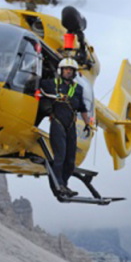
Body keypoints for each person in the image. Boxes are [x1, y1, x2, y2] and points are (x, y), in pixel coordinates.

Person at [40, 57, 92, 197]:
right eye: (66, 69)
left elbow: (82, 108)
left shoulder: (78, 89)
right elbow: (35, 82)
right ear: (60, 71)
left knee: (70, 160)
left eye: (71, 70)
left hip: (71, 126)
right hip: (57, 124)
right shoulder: (51, 84)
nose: (68, 72)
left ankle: (64, 184)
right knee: (60, 156)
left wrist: (87, 124)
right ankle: (58, 186)